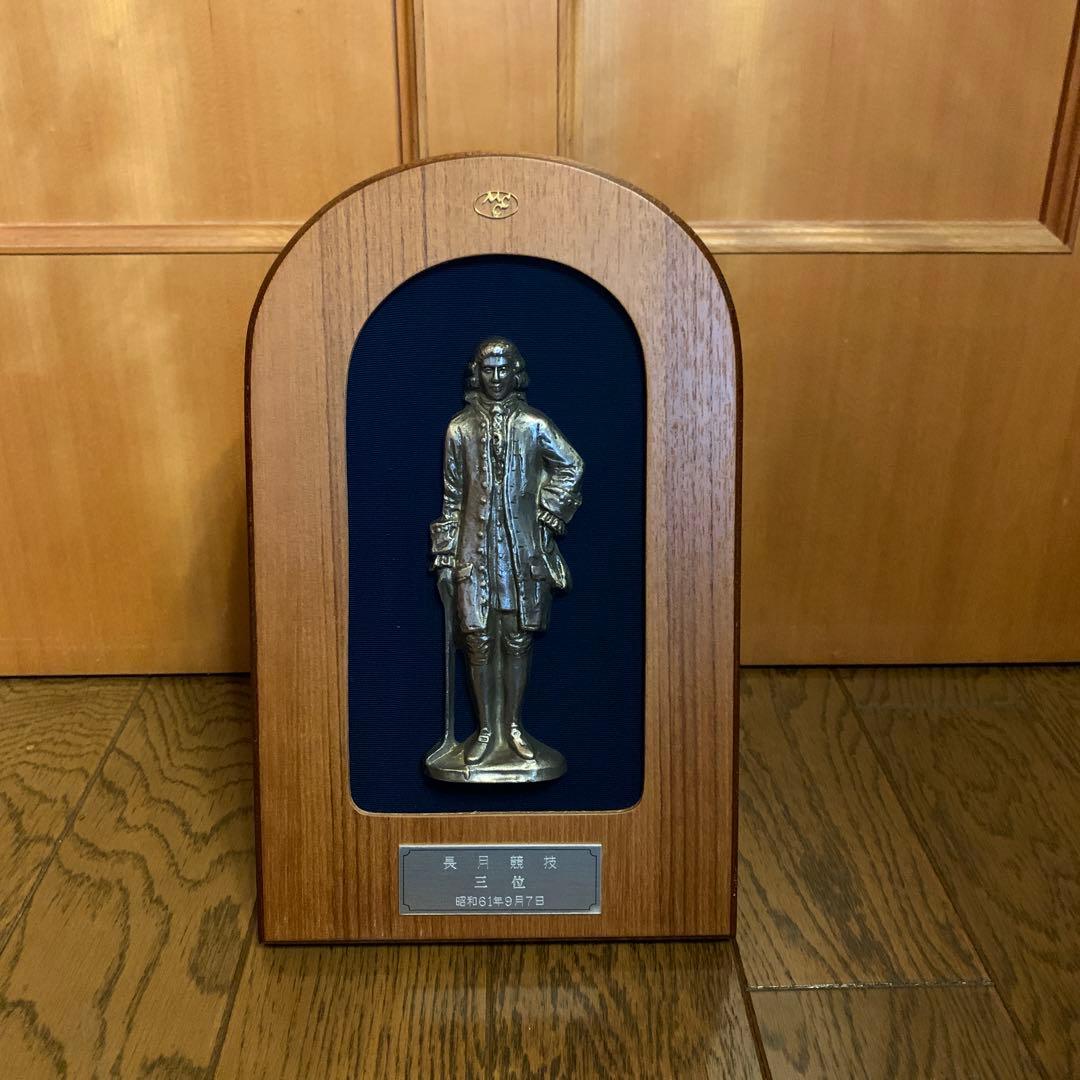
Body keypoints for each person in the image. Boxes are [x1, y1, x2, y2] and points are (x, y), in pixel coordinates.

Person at [430, 336, 583, 775]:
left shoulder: (534, 424)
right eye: (488, 369)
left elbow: (571, 465)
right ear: (476, 374)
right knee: (478, 640)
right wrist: (445, 557)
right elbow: (452, 497)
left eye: (503, 369)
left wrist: (548, 510)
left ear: (516, 374)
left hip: (521, 552)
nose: (495, 377)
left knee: (517, 637)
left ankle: (513, 728)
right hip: (474, 552)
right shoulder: (460, 429)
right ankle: (485, 732)